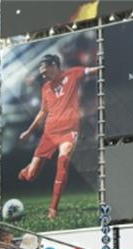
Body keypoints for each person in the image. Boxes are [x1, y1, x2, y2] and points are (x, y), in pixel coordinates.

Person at [17, 54, 98, 220]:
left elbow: (93, 70)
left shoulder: (73, 74)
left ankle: (53, 209)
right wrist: (29, 131)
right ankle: (26, 171)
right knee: (31, 176)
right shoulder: (45, 88)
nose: (43, 75)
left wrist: (109, 64)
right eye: (41, 73)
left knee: (63, 162)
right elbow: (43, 112)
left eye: (45, 71)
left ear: (54, 66)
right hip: (49, 133)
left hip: (69, 130)